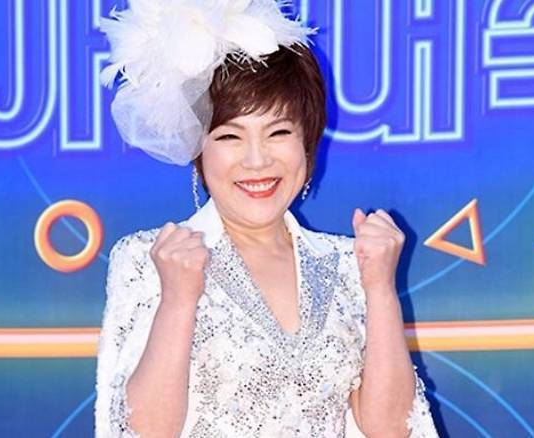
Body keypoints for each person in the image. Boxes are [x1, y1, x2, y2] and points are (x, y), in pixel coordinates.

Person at [95, 1, 439, 437]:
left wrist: (380, 289)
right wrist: (178, 300)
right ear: (199, 151)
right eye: (230, 136)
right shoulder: (148, 259)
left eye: (278, 132)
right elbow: (141, 432)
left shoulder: (349, 265)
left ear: (307, 144)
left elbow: (391, 429)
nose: (257, 160)